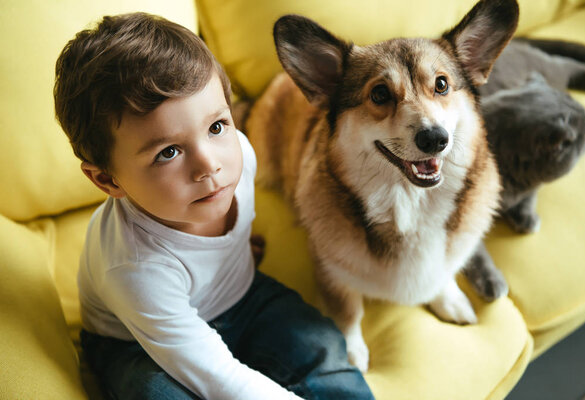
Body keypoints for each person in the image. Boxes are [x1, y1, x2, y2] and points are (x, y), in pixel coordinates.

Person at [54, 12, 374, 400]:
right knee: (158, 394)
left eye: (217, 126)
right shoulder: (135, 269)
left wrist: (235, 251)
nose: (210, 164)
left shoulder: (240, 157)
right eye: (168, 152)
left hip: (241, 296)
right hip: (137, 341)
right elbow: (220, 379)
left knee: (319, 343)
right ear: (108, 180)